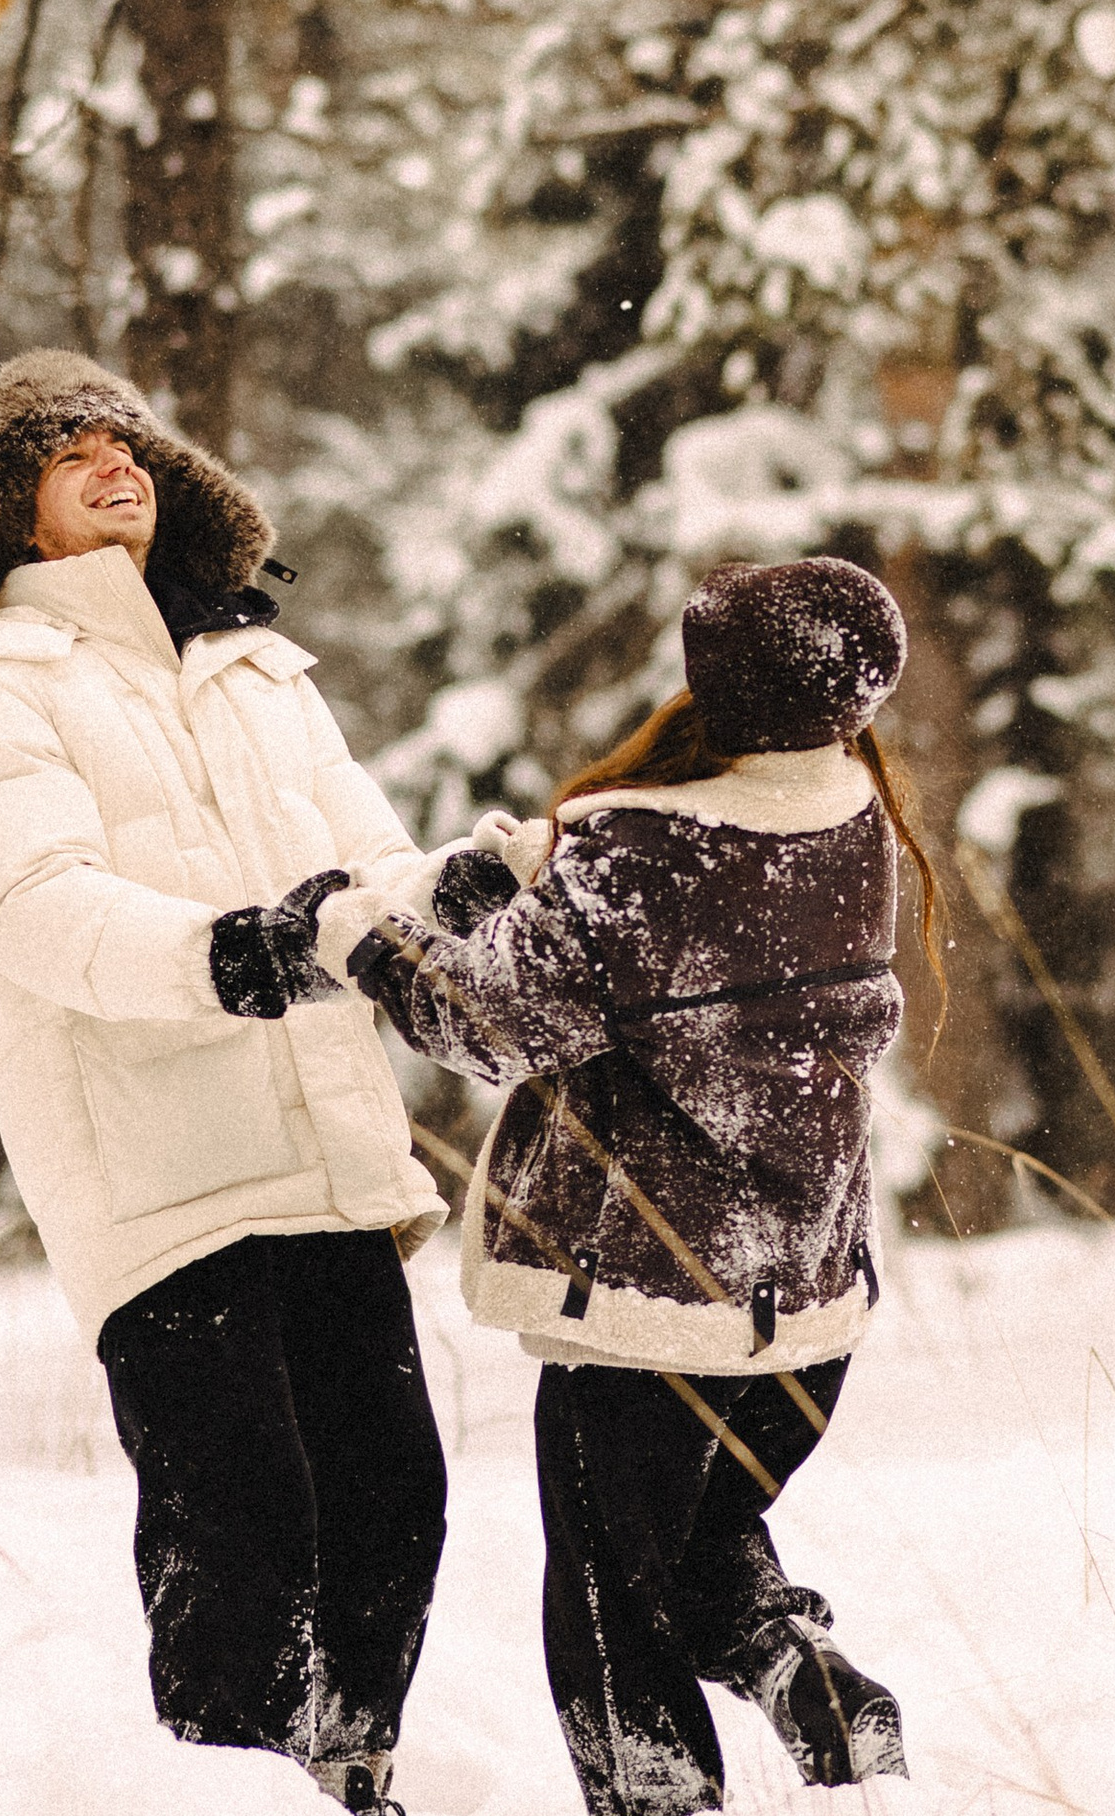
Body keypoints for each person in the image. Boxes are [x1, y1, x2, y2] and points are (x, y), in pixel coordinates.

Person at [0, 351, 448, 1816]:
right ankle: (229, 1786)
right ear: (2, 504)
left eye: (128, 442)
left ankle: (349, 1771)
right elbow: (42, 909)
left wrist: (463, 902)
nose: (112, 463)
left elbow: (371, 860)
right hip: (162, 1180)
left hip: (327, 1152)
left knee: (395, 1497)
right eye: (67, 452)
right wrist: (238, 951)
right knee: (242, 1517)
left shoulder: (259, 673)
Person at [306, 557, 936, 1816]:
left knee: (609, 1593)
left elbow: (489, 1018)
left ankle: (656, 1799)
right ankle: (814, 1685)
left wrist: (354, 935)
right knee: (698, 1550)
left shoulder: (642, 850)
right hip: (804, 1309)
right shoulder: (855, 817)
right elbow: (697, 933)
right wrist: (560, 870)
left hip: (654, 1306)